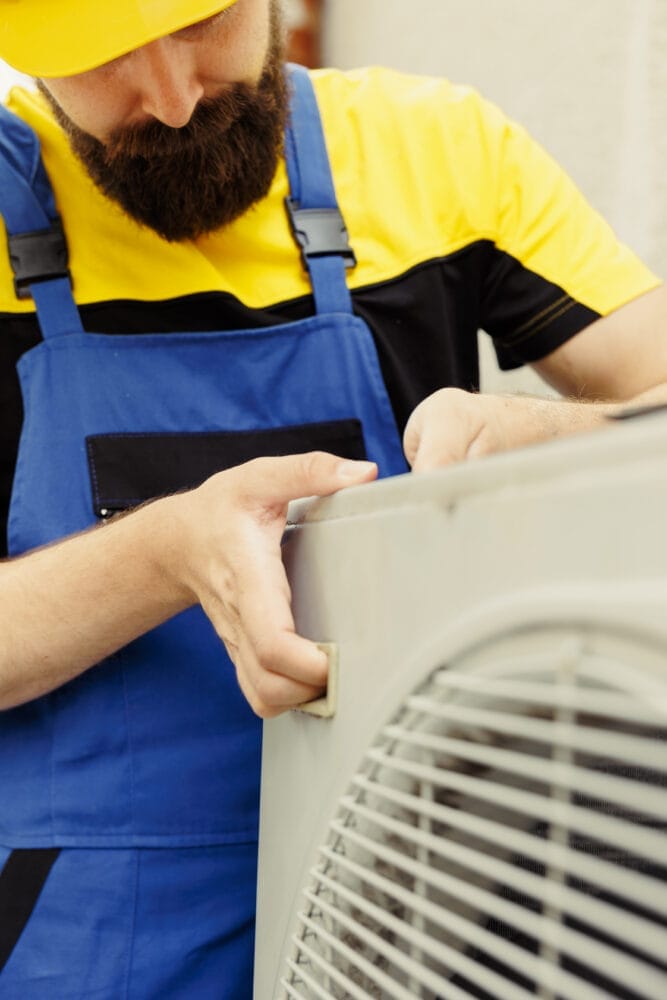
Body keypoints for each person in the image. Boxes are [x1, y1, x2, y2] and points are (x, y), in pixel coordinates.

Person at [0, 1, 665, 996]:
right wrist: (168, 551)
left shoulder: (437, 153)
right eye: (103, 63)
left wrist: (561, 440)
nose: (175, 101)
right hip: (89, 936)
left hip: (428, 906)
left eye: (206, 24)